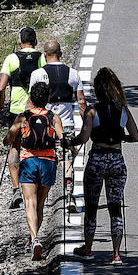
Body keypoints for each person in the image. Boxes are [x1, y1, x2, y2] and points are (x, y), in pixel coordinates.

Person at [72, 67, 138, 264]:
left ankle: (88, 247)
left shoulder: (93, 111)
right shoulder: (122, 110)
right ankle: (116, 253)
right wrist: (121, 137)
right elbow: (135, 136)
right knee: (115, 206)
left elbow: (84, 137)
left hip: (97, 159)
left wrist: (71, 142)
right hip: (117, 160)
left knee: (92, 206)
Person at [5, 81, 63, 260]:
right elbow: (62, 138)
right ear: (47, 99)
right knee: (40, 203)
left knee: (29, 202)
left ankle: (34, 239)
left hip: (29, 161)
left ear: (31, 97)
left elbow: (9, 138)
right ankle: (34, 239)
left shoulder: (23, 117)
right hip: (48, 162)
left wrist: (11, 141)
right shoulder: (53, 116)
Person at [29, 39, 87, 212]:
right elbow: (81, 102)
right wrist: (86, 125)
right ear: (60, 52)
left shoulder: (38, 74)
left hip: (44, 125)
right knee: (67, 161)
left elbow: (31, 102)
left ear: (45, 55)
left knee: (42, 159)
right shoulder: (73, 74)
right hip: (67, 125)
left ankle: (42, 197)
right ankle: (70, 197)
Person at [0, 27, 45, 209]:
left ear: (20, 41)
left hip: (16, 109)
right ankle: (36, 186)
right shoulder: (42, 58)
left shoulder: (11, 58)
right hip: (37, 109)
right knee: (37, 145)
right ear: (35, 41)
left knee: (14, 148)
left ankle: (16, 189)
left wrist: (0, 106)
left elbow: (1, 87)